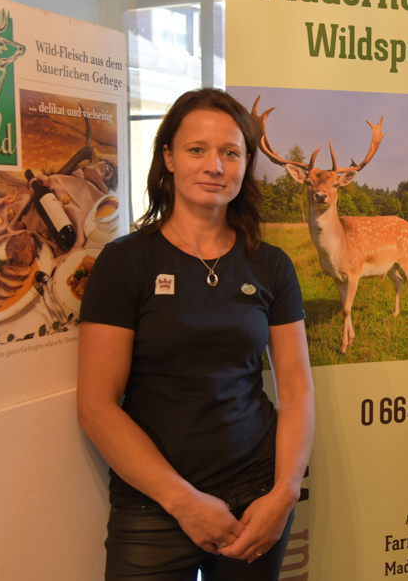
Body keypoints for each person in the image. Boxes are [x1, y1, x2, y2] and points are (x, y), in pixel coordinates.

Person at [77, 88, 314, 581]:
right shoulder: (126, 262)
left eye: (231, 153)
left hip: (257, 500)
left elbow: (295, 389)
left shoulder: (271, 265)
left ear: (246, 164)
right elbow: (97, 405)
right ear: (168, 157)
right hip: (154, 507)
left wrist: (286, 492)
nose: (215, 166)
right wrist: (183, 502)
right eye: (196, 150)